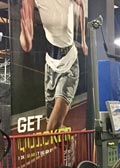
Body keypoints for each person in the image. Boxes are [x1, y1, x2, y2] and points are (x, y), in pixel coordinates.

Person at [20, 0, 88, 131]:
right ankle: (69, 144)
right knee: (51, 126)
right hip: (51, 64)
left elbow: (81, 5)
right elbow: (27, 46)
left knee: (51, 128)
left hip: (69, 62)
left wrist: (83, 41)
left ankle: (67, 142)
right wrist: (26, 34)